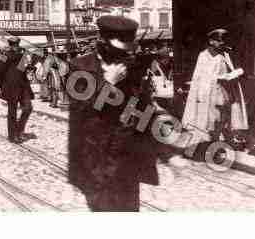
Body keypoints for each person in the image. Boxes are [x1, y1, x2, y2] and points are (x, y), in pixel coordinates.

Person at [68, 16, 160, 211]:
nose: (125, 56)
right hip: (97, 162)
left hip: (127, 161)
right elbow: (81, 111)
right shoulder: (80, 67)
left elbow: (143, 110)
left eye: (127, 51)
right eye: (119, 51)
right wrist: (108, 83)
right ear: (103, 43)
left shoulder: (132, 67)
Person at [181, 29, 248, 149]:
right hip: (211, 94)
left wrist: (235, 73)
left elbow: (228, 70)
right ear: (211, 41)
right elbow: (203, 77)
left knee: (224, 121)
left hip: (225, 93)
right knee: (213, 122)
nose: (221, 43)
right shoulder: (205, 55)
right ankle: (210, 147)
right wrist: (226, 76)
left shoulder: (224, 54)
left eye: (222, 41)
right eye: (218, 41)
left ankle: (220, 146)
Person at [0, 37, 34, 143]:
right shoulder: (4, 56)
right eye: (14, 45)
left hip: (23, 86)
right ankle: (13, 136)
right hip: (10, 87)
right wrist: (2, 86)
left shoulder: (22, 56)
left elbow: (23, 71)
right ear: (10, 45)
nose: (16, 47)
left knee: (28, 108)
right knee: (12, 112)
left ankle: (19, 130)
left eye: (17, 45)